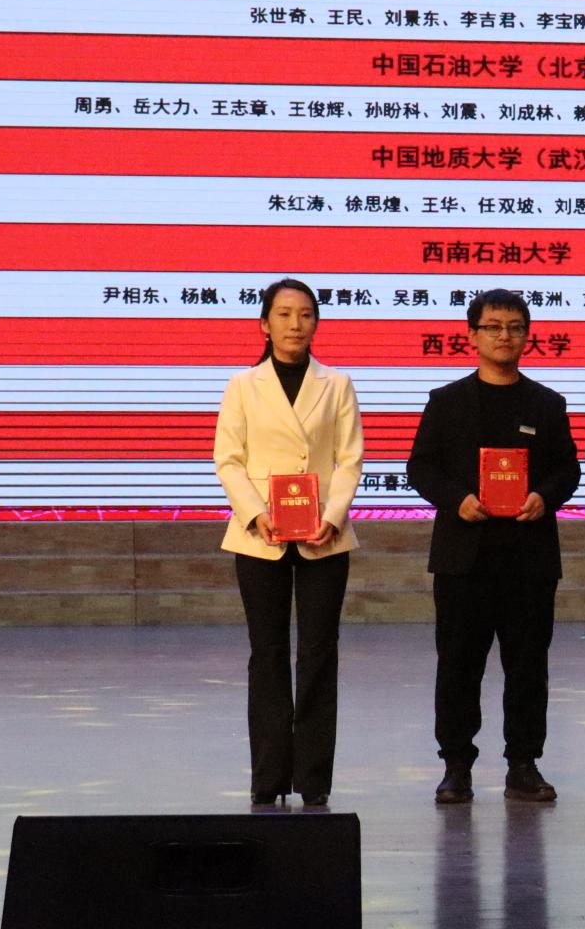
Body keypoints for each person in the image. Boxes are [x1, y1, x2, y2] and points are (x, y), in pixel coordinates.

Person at [408, 289, 580, 804]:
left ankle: (523, 764)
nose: (504, 336)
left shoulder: (547, 403)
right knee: (458, 665)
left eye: (515, 327)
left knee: (528, 667)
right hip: (464, 557)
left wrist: (544, 496)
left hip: (529, 558)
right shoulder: (446, 401)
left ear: (527, 336)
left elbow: (568, 470)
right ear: (472, 335)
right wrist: (456, 499)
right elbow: (421, 467)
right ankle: (456, 765)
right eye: (493, 326)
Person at [214, 277, 363, 809]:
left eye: (305, 314)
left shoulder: (337, 384)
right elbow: (228, 460)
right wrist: (257, 514)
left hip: (325, 535)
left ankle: (314, 778)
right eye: (283, 314)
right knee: (268, 653)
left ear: (316, 322)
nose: (295, 324)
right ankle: (269, 775)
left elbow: (350, 459)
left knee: (319, 654)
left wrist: (332, 515)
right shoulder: (242, 385)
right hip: (260, 536)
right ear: (264, 324)